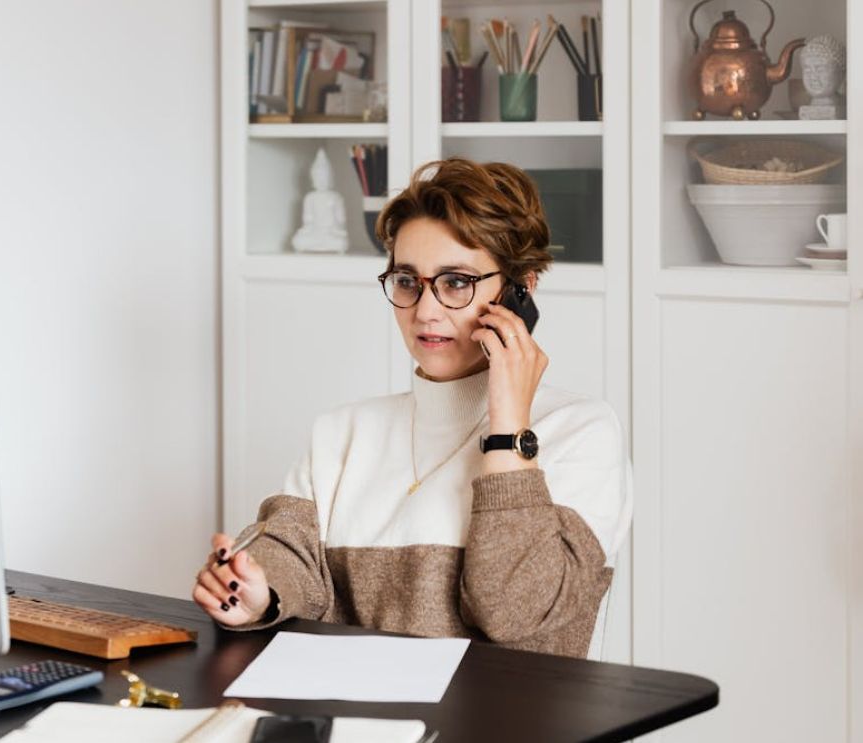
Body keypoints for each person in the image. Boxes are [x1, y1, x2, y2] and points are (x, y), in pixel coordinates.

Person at [192, 157, 632, 658]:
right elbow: (290, 553)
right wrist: (257, 593)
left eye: (456, 282)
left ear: (521, 289)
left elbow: (515, 611)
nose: (425, 311)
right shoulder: (343, 431)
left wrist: (509, 425)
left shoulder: (582, 431)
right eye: (407, 281)